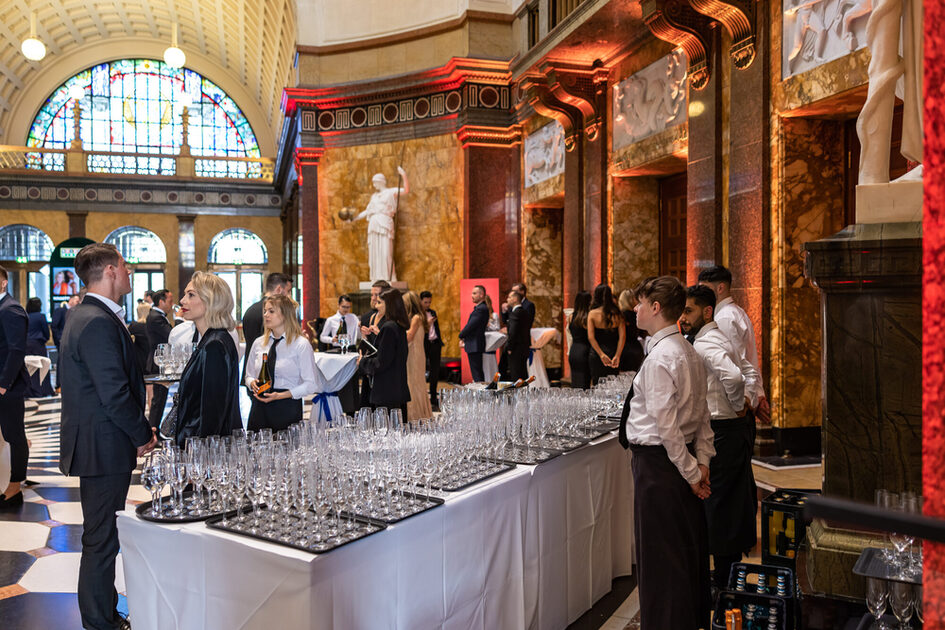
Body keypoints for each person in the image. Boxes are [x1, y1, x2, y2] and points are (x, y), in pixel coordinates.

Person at [58, 243, 157, 630]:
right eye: (127, 267)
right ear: (112, 270)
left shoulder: (85, 314)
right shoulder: (96, 320)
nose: (130, 274)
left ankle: (103, 612)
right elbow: (113, 391)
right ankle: (100, 622)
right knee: (100, 540)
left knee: (102, 537)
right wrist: (140, 433)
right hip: (102, 446)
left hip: (99, 443)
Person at [620, 275, 713, 630]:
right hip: (680, 461)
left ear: (655, 308)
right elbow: (703, 418)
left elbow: (666, 426)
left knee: (660, 559)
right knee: (681, 552)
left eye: (640, 303)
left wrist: (692, 474)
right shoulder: (688, 350)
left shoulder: (662, 357)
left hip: (661, 467)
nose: (636, 309)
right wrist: (701, 463)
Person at [679, 285, 758, 592]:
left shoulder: (706, 342)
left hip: (723, 430)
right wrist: (746, 400)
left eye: (689, 311)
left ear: (707, 311)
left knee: (721, 504)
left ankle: (722, 581)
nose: (684, 318)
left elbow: (735, 376)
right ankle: (725, 576)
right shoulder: (715, 335)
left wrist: (739, 406)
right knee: (729, 503)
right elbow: (747, 367)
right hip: (730, 429)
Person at [174, 272, 242, 446]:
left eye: (191, 295)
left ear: (210, 300)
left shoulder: (214, 345)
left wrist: (201, 457)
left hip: (206, 450)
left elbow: (213, 412)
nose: (182, 301)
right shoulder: (212, 340)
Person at [697, 266, 770, 424]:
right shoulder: (734, 312)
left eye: (705, 289)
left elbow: (735, 366)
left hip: (734, 408)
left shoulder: (724, 317)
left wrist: (745, 400)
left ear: (721, 288)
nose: (702, 295)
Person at [246, 294, 317, 432]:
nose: (266, 315)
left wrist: (281, 395)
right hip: (259, 407)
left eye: (271, 311)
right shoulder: (259, 343)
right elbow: (248, 375)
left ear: (285, 315)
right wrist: (251, 383)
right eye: (265, 311)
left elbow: (311, 384)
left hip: (286, 406)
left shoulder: (300, 344)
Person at [0, 265, 30, 510]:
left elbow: (16, 350)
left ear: (3, 282)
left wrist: (3, 385)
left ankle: (14, 487)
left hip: (6, 387)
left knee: (14, 436)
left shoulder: (10, 308)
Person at [352, 167, 409, 283]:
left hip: (385, 224)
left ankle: (389, 277)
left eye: (375, 183)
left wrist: (403, 175)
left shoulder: (390, 192)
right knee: (375, 254)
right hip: (373, 225)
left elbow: (406, 190)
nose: (374, 186)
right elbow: (367, 211)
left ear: (380, 182)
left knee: (386, 252)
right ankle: (377, 278)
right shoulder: (373, 197)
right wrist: (354, 218)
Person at [359, 287, 410, 416]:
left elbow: (381, 362)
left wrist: (362, 362)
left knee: (387, 431)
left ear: (390, 305)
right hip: (396, 388)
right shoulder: (398, 325)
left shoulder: (389, 328)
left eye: (380, 302)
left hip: (386, 390)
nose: (377, 305)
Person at [241, 272, 293, 390]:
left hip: (251, 375)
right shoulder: (274, 315)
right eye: (288, 291)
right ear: (279, 289)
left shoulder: (250, 310)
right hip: (267, 377)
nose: (289, 296)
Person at [359, 279, 390, 407]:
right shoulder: (367, 317)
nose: (373, 298)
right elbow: (364, 346)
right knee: (367, 407)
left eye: (376, 295)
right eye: (372, 295)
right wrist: (363, 337)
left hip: (384, 371)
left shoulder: (390, 320)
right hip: (369, 370)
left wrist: (380, 333)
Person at [145, 289, 174, 428]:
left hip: (160, 362)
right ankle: (153, 430)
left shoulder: (158, 315)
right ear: (161, 302)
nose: (172, 304)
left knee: (160, 399)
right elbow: (171, 336)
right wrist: (179, 319)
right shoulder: (156, 316)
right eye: (170, 301)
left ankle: (155, 429)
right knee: (158, 400)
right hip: (158, 362)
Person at [403, 291, 433, 421]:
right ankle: (418, 412)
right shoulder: (419, 317)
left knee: (413, 383)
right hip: (416, 352)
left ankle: (415, 414)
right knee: (414, 382)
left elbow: (409, 336)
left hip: (414, 354)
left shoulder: (416, 318)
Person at [587, 283, 625, 385]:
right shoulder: (617, 313)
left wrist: (601, 354)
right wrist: (617, 355)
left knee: (597, 384)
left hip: (597, 354)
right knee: (613, 385)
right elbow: (622, 337)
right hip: (613, 353)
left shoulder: (592, 313)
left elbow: (591, 337)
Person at [458, 285, 489, 382]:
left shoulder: (481, 309)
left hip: (475, 344)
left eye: (474, 293)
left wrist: (461, 335)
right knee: (477, 372)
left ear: (481, 295)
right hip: (475, 343)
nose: (472, 296)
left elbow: (471, 326)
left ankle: (481, 394)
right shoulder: (481, 308)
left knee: (477, 373)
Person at [420, 291, 443, 410]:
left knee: (435, 371)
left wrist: (440, 341)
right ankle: (423, 397)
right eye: (425, 302)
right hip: (424, 344)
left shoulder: (432, 312)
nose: (427, 304)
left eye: (429, 302)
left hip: (435, 343)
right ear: (420, 301)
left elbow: (436, 328)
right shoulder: (418, 314)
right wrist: (427, 324)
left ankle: (433, 397)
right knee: (422, 371)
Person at [505, 290, 534, 382]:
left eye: (509, 297)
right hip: (524, 348)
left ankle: (517, 395)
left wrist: (510, 347)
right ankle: (524, 394)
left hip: (516, 348)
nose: (507, 299)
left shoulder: (516, 313)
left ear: (515, 299)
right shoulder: (525, 312)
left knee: (516, 375)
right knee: (523, 374)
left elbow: (513, 332)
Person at [568, 291, 592, 389]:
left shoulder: (571, 316)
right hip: (585, 350)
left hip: (574, 350)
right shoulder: (588, 317)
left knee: (575, 381)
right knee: (585, 382)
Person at [617, 289, 645, 373]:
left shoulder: (620, 316)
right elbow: (643, 333)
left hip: (624, 350)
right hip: (637, 349)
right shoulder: (638, 315)